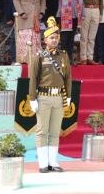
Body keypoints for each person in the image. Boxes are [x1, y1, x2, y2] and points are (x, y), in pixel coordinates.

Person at [28, 17, 71, 173]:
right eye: (51, 37)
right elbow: (33, 79)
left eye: (56, 37)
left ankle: (53, 162)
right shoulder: (39, 56)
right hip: (44, 98)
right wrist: (32, 98)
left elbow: (68, 78)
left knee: (54, 131)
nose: (54, 40)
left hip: (58, 98)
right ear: (45, 39)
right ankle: (42, 163)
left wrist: (69, 96)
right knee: (42, 131)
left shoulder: (63, 55)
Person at [13, 0, 46, 64]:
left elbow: (43, 1)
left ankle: (35, 59)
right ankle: (24, 59)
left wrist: (42, 12)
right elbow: (16, 0)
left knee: (35, 37)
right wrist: (21, 12)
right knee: (25, 37)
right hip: (24, 16)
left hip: (36, 16)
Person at [54, 0, 83, 64]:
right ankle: (63, 60)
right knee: (64, 40)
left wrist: (82, 14)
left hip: (75, 17)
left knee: (71, 40)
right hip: (64, 17)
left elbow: (81, 0)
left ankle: (70, 60)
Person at [77, 0, 102, 65]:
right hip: (85, 10)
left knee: (92, 36)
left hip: (96, 10)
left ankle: (90, 57)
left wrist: (101, 12)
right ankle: (83, 57)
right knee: (84, 36)